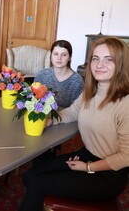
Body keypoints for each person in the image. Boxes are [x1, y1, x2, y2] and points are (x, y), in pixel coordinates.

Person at [19, 36, 129, 211]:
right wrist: (46, 122)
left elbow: (126, 156)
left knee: (39, 183)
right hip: (86, 155)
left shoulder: (125, 103)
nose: (99, 64)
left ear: (122, 64)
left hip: (108, 175)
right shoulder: (90, 92)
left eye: (109, 59)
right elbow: (71, 112)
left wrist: (88, 167)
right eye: (95, 58)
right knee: (30, 175)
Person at [34, 40, 84, 108]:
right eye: (56, 54)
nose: (59, 58)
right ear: (51, 56)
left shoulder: (77, 81)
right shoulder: (41, 75)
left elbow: (76, 111)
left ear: (69, 58)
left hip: (66, 117)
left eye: (64, 55)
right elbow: (34, 101)